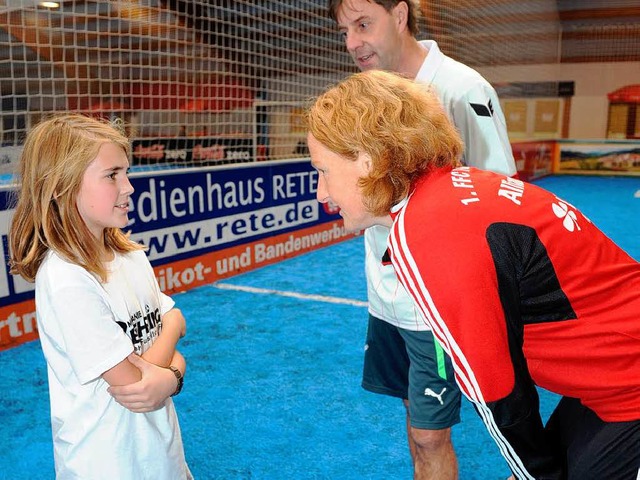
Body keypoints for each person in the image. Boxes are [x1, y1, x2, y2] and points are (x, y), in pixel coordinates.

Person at [306, 69, 640, 480]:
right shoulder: (455, 188)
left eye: (321, 170)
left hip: (630, 383)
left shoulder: (428, 233)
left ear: (367, 159)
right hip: (613, 378)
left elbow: (498, 392)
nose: (321, 193)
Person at [327, 1, 517, 477]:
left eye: (364, 24)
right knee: (416, 427)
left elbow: (503, 195)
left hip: (436, 302)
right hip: (386, 294)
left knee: (432, 435)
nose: (352, 43)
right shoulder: (366, 97)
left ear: (400, 15)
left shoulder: (461, 88)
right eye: (345, 30)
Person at [8, 114, 193, 479]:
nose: (128, 187)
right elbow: (134, 385)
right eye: (112, 175)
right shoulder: (66, 279)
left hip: (161, 455)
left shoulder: (130, 255)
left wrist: (169, 368)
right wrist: (174, 371)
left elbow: (175, 319)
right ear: (62, 186)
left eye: (125, 172)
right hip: (106, 464)